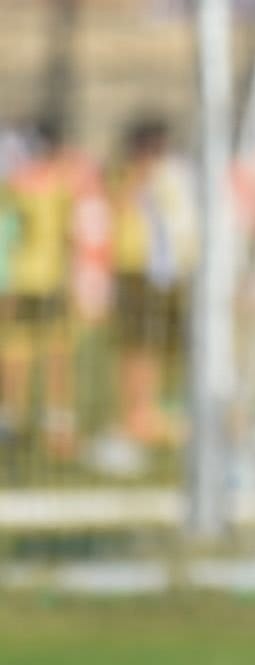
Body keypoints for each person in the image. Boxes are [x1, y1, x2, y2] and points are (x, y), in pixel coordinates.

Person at [108, 115, 197, 448]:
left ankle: (169, 411)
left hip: (176, 273)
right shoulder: (125, 173)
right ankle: (136, 415)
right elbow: (116, 207)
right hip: (138, 271)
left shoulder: (180, 174)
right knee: (138, 348)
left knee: (179, 347)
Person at [1, 118, 80, 456]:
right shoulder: (61, 188)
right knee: (54, 357)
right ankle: (55, 429)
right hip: (45, 281)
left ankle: (13, 423)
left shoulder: (14, 187)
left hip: (21, 281)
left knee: (19, 354)